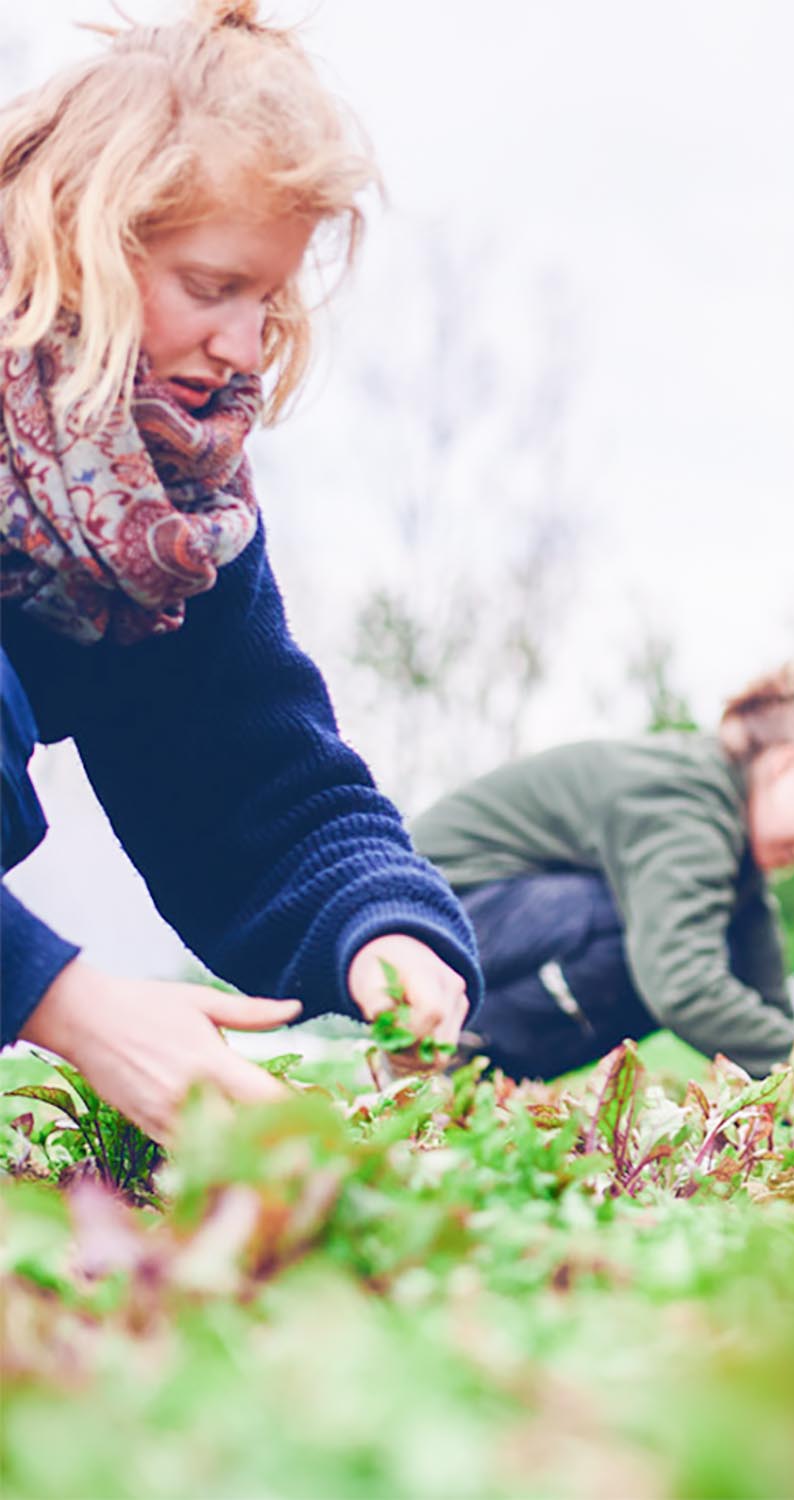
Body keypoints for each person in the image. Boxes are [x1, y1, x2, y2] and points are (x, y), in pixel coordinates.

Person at [0, 2, 480, 1143]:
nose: (243, 346)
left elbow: (250, 782)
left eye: (266, 299)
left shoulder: (168, 526)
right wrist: (62, 1000)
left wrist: (379, 927)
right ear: (72, 241)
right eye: (210, 286)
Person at [410, 668, 794, 1080]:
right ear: (785, 766)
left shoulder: (732, 840)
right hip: (429, 921)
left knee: (684, 931)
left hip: (494, 925)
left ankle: (479, 1073)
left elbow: (766, 991)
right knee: (653, 939)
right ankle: (443, 1058)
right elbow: (683, 986)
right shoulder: (688, 803)